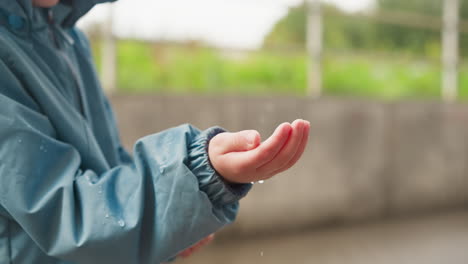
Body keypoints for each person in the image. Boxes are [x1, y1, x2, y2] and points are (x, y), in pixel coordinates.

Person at [0, 0, 310, 263]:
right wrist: (199, 172)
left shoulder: (66, 39)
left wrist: (166, 227)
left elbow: (106, 172)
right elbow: (63, 212)